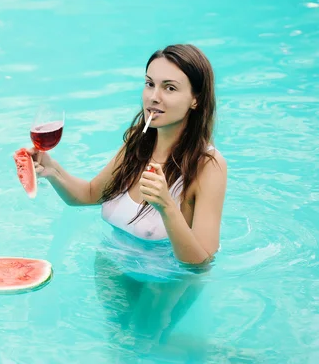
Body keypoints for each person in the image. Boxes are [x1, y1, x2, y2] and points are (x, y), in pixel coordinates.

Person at [28, 44, 228, 349]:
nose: (153, 97)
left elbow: (201, 261)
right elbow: (90, 194)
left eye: (169, 88)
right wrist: (52, 170)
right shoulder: (138, 142)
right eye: (149, 83)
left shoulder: (208, 166)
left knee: (144, 346)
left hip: (165, 280)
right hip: (112, 265)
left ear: (195, 100)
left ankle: (216, 353)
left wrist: (165, 206)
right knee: (120, 347)